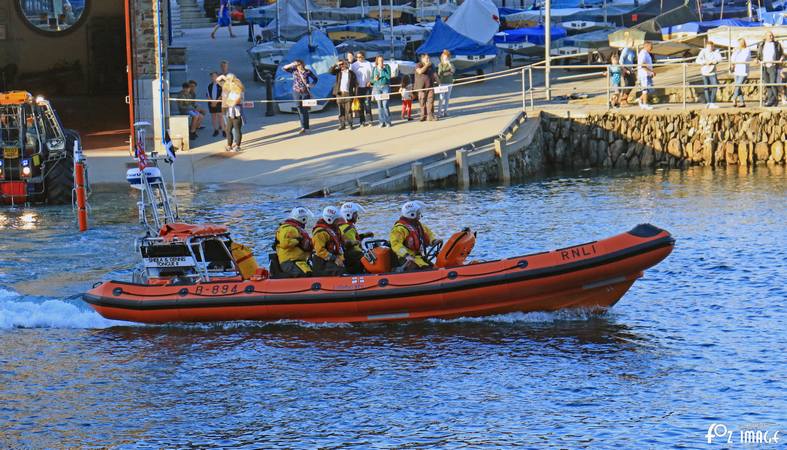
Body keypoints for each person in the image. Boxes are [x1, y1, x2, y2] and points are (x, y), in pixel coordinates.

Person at [389, 201, 442, 272]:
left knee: (434, 268)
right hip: (405, 259)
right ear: (412, 214)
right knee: (424, 270)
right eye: (418, 213)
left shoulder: (419, 226)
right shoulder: (399, 229)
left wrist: (434, 241)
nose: (420, 214)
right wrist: (406, 255)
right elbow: (396, 244)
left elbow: (429, 234)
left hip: (418, 258)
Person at [274, 207, 314, 278]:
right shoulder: (289, 229)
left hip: (298, 261)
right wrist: (298, 240)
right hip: (290, 262)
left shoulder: (296, 228)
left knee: (312, 273)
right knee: (305, 276)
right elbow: (285, 243)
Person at [283, 59, 318, 134]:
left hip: (305, 92)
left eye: (300, 65)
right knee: (299, 109)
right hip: (296, 92)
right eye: (297, 65)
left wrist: (311, 84)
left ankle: (306, 127)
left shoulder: (307, 71)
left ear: (303, 64)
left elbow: (315, 79)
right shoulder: (294, 70)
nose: (299, 66)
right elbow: (284, 68)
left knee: (305, 109)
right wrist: (292, 64)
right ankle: (302, 126)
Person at [338, 202, 374, 274]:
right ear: (348, 215)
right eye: (355, 214)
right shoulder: (348, 228)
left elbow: (353, 239)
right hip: (353, 258)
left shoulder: (343, 226)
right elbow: (354, 246)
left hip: (348, 257)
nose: (357, 216)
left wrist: (364, 235)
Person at [311, 206, 345, 276]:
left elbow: (341, 243)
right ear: (330, 219)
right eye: (337, 220)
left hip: (330, 260)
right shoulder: (320, 233)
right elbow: (320, 251)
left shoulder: (334, 230)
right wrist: (335, 259)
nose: (338, 222)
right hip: (322, 263)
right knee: (339, 271)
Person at [219, 73, 245, 152]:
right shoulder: (229, 89)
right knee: (228, 129)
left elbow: (237, 101)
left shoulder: (239, 90)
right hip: (229, 111)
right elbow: (219, 80)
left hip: (236, 112)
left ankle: (237, 145)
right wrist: (225, 78)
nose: (230, 84)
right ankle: (229, 145)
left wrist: (230, 103)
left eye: (231, 82)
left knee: (237, 129)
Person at [330, 59, 359, 130]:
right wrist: (336, 64)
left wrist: (355, 95)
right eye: (341, 65)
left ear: (347, 65)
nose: (342, 66)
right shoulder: (338, 72)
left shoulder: (351, 73)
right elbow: (331, 71)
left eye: (343, 64)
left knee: (348, 110)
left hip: (348, 94)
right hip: (340, 94)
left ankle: (350, 124)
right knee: (341, 110)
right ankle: (342, 125)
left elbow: (356, 84)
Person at [757, 31, 783, 107]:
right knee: (767, 84)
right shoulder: (761, 44)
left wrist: (781, 59)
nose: (771, 37)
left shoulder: (777, 44)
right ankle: (771, 100)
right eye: (769, 36)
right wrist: (757, 59)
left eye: (772, 35)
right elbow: (758, 55)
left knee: (772, 83)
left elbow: (782, 54)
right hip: (764, 65)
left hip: (773, 65)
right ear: (765, 37)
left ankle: (774, 99)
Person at [696, 41, 723, 108]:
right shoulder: (703, 51)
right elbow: (697, 60)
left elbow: (720, 59)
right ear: (706, 46)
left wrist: (715, 61)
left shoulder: (716, 51)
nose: (710, 48)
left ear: (713, 46)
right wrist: (705, 62)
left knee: (714, 86)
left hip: (712, 72)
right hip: (704, 72)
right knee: (706, 87)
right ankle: (708, 102)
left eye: (711, 47)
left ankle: (712, 102)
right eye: (709, 47)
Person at [351, 51, 374, 126]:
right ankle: (362, 121)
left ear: (364, 57)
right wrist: (354, 84)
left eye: (360, 57)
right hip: (358, 88)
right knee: (360, 105)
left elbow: (373, 74)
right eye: (357, 57)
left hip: (367, 87)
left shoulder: (368, 64)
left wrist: (370, 82)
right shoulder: (354, 65)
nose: (359, 58)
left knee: (367, 104)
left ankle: (369, 120)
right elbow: (351, 76)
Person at [371, 55, 392, 128]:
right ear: (377, 61)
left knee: (385, 105)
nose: (381, 62)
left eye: (382, 60)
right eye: (380, 60)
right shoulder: (374, 69)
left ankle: (388, 122)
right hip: (377, 88)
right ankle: (381, 122)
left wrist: (383, 70)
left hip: (385, 87)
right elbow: (371, 80)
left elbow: (389, 77)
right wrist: (375, 80)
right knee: (379, 106)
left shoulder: (387, 67)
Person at [414, 53, 436, 121]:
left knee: (431, 101)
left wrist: (439, 83)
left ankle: (430, 115)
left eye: (429, 58)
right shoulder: (418, 64)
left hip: (430, 86)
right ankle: (423, 116)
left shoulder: (432, 65)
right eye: (427, 58)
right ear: (422, 59)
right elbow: (420, 71)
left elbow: (434, 74)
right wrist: (426, 65)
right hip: (421, 87)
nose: (428, 59)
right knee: (422, 102)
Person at [731, 38, 751, 108]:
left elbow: (744, 59)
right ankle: (742, 102)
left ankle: (734, 97)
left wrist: (738, 52)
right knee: (738, 86)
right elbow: (732, 59)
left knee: (738, 85)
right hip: (737, 70)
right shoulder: (736, 51)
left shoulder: (747, 50)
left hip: (744, 71)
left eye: (740, 43)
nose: (739, 44)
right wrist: (735, 51)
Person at [436, 49, 455, 118]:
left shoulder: (451, 64)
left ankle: (445, 112)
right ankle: (439, 113)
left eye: (447, 56)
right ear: (442, 57)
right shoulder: (440, 64)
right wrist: (448, 73)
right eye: (445, 56)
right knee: (441, 98)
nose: (446, 57)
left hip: (450, 82)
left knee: (447, 98)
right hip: (442, 83)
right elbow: (440, 73)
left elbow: (453, 71)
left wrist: (449, 64)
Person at [637, 41, 655, 110]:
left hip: (647, 74)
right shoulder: (643, 53)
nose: (652, 47)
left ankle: (640, 100)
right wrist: (651, 72)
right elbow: (642, 65)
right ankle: (644, 104)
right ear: (646, 46)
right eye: (651, 46)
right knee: (645, 90)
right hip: (644, 74)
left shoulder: (646, 53)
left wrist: (651, 72)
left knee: (649, 89)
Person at [207, 72, 225, 137]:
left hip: (219, 103)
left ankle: (223, 130)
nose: (213, 78)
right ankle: (215, 130)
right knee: (213, 117)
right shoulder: (209, 86)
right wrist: (212, 102)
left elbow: (222, 95)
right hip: (211, 103)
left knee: (220, 116)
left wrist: (216, 102)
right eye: (212, 77)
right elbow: (208, 95)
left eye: (214, 76)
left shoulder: (221, 85)